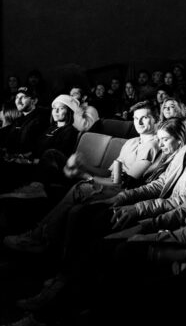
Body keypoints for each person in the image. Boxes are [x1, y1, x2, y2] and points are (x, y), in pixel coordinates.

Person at [3, 101, 162, 254]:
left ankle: (40, 237)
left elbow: (122, 183)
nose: (138, 122)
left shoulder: (152, 145)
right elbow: (109, 173)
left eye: (144, 117)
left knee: (81, 187)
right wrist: (84, 166)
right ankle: (38, 218)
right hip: (109, 182)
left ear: (155, 120)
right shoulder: (132, 142)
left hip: (122, 191)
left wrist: (85, 176)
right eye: (135, 118)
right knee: (55, 159)